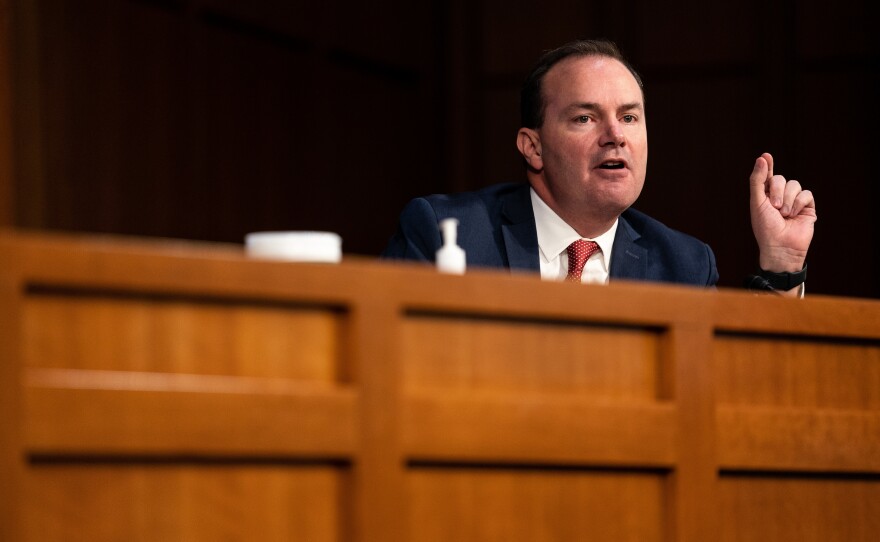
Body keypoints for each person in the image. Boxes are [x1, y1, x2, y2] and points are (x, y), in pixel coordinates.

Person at [382, 39, 816, 296]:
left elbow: (730, 387)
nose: (615, 135)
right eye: (585, 118)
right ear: (533, 147)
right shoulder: (445, 232)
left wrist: (782, 267)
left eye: (629, 117)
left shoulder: (682, 266)